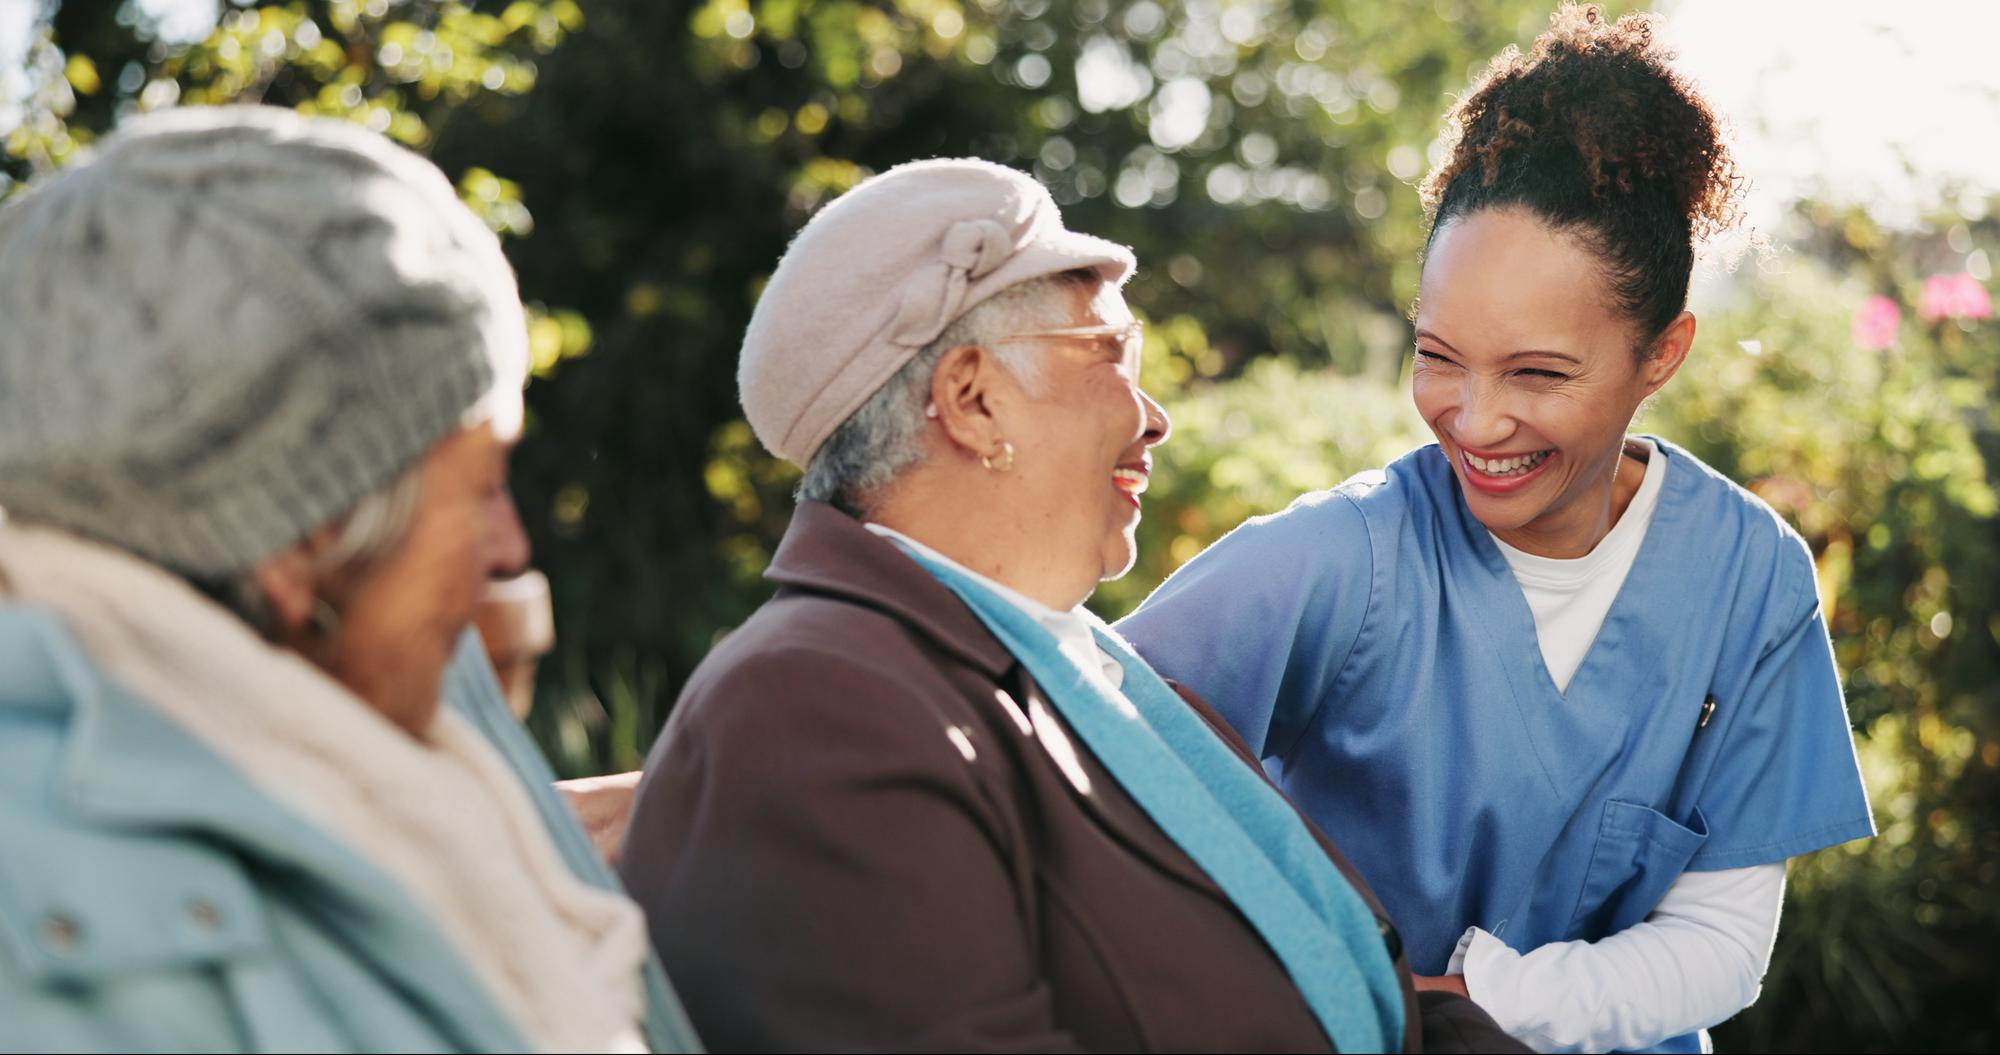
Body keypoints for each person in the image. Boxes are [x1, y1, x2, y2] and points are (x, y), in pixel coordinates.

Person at [616, 158, 1527, 1053]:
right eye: (1111, 358)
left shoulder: (1090, 670)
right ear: (972, 401)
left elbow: (1382, 1003)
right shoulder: (810, 709)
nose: (1154, 414)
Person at [1115, 7, 1873, 1053]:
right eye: (1437, 354)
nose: (1472, 420)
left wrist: (1466, 1000)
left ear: (1661, 353)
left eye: (1536, 372)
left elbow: (1719, 943)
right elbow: (1083, 733)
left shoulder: (1750, 580)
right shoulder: (1341, 559)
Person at [0, 106, 697, 1053]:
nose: (509, 546)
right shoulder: (81, 952)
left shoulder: (338, 745)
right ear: (300, 545)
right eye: (483, 487)